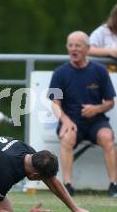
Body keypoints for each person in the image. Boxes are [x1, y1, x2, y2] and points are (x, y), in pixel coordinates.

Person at [49, 30, 117, 197]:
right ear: (67, 48)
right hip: (71, 121)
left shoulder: (100, 71)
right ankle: (67, 185)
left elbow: (110, 102)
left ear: (87, 48)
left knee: (107, 137)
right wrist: (65, 120)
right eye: (70, 45)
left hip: (97, 121)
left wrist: (97, 109)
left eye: (78, 46)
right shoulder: (59, 73)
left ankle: (113, 185)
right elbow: (55, 103)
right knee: (67, 137)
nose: (74, 49)